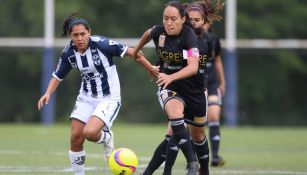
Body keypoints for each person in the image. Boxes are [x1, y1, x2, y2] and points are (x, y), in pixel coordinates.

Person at [37, 14, 157, 175]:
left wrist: (149, 68)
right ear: (70, 36)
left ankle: (106, 138)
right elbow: (57, 75)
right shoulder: (68, 53)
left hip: (108, 98)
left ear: (89, 32)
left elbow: (131, 52)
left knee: (90, 133)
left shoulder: (102, 44)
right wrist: (47, 93)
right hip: (86, 97)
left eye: (83, 34)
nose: (80, 38)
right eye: (75, 35)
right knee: (75, 136)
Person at [133, 1, 207, 175]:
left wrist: (170, 75)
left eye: (173, 19)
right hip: (170, 87)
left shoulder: (189, 37)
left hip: (194, 91)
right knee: (175, 116)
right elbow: (147, 33)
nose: (169, 23)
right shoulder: (160, 32)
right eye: (166, 18)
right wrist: (136, 51)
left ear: (183, 19)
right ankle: (191, 161)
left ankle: (203, 169)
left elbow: (193, 67)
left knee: (190, 136)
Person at [203, 22, 226, 167]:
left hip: (211, 85)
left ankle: (215, 156)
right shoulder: (189, 38)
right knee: (196, 121)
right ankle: (193, 158)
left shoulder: (214, 39)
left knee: (213, 115)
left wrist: (222, 82)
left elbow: (217, 60)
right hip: (196, 86)